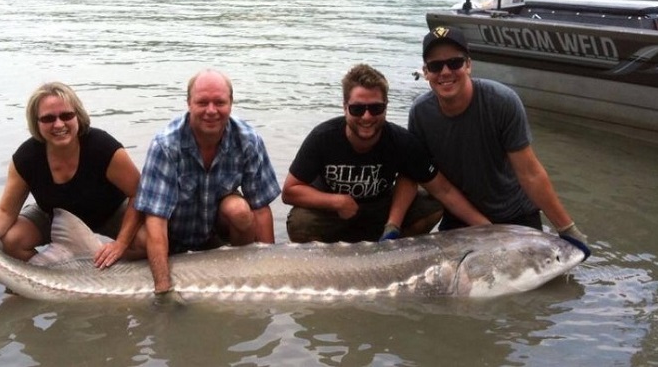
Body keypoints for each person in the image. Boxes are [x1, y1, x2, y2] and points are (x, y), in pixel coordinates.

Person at [409, 26, 590, 252]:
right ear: (426, 72)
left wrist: (567, 228)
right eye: (435, 66)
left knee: (540, 277)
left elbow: (530, 174)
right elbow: (436, 184)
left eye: (454, 63)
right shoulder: (420, 113)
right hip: (462, 216)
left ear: (468, 65)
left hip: (515, 216)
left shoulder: (502, 101)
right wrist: (485, 228)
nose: (445, 72)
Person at [282, 63, 491, 243]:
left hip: (379, 210)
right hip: (335, 213)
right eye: (357, 109)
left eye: (375, 108)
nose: (366, 117)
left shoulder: (401, 140)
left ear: (386, 107)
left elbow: (444, 191)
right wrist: (336, 201)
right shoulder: (323, 137)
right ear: (345, 107)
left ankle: (392, 248)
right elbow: (290, 191)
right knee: (299, 223)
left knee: (433, 205)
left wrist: (488, 229)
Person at [134, 69, 281, 296]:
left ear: (231, 103)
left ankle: (239, 273)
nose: (211, 111)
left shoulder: (249, 140)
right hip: (172, 235)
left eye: (219, 102)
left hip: (213, 236)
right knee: (142, 238)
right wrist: (163, 289)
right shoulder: (166, 144)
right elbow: (156, 221)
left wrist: (271, 275)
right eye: (202, 102)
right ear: (189, 103)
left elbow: (260, 209)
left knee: (240, 210)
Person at [0, 82, 144, 274]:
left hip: (109, 213)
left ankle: (114, 277)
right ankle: (52, 278)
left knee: (146, 241)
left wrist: (121, 243)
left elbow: (138, 193)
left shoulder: (103, 147)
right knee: (11, 240)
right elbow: (5, 211)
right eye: (48, 118)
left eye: (66, 116)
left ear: (78, 116)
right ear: (36, 123)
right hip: (54, 215)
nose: (59, 124)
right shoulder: (26, 158)